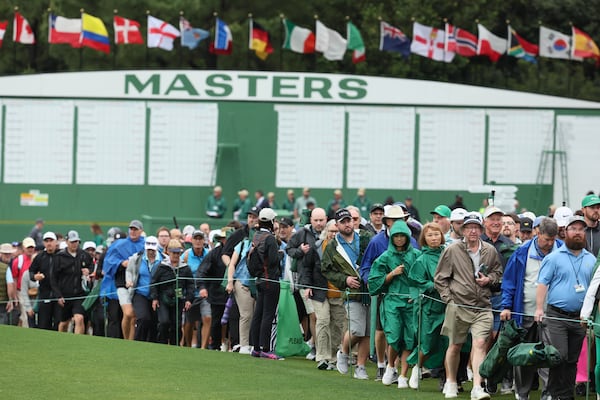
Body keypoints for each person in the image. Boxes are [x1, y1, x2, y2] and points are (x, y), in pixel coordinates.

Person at [434, 213, 502, 400]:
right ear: (463, 230)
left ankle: (477, 387)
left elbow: (498, 273)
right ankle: (451, 382)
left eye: (476, 227)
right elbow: (440, 278)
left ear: (481, 229)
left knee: (480, 344)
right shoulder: (452, 250)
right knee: (455, 345)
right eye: (469, 227)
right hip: (459, 305)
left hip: (482, 306)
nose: (472, 231)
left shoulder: (490, 250)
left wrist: (489, 280)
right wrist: (449, 299)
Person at [535, 215, 596, 400]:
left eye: (581, 229)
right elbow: (542, 284)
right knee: (559, 356)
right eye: (573, 229)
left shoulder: (591, 259)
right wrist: (539, 308)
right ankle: (552, 393)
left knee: (572, 360)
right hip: (557, 315)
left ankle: (566, 395)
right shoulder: (554, 257)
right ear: (565, 232)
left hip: (580, 318)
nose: (577, 232)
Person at [500, 217, 561, 400]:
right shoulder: (521, 252)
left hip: (552, 314)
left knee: (549, 355)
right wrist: (506, 306)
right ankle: (521, 393)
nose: (549, 244)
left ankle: (548, 393)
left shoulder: (561, 251)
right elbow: (509, 282)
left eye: (552, 239)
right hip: (524, 312)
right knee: (524, 355)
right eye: (546, 239)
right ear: (537, 233)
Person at [369, 220, 422, 388]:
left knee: (409, 339)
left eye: (402, 236)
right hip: (392, 302)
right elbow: (374, 282)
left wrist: (415, 294)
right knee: (394, 336)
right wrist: (391, 274)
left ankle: (404, 376)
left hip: (410, 302)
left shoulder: (416, 255)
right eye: (396, 236)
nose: (399, 239)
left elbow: (423, 277)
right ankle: (391, 366)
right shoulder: (385, 257)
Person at [322, 208, 371, 379]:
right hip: (352, 291)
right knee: (357, 330)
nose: (347, 224)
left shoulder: (365, 236)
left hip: (371, 289)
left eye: (349, 220)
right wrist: (345, 280)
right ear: (337, 225)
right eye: (343, 222)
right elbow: (326, 271)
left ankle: (361, 367)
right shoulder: (332, 246)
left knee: (367, 332)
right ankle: (343, 352)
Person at [286, 207, 328, 363]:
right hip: (306, 281)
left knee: (325, 318)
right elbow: (288, 249)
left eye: (321, 220)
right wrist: (300, 251)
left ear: (326, 219)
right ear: (311, 220)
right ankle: (316, 347)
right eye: (315, 220)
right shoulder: (302, 234)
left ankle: (324, 348)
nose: (318, 223)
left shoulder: (331, 232)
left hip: (326, 283)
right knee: (314, 315)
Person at [408, 222, 447, 389]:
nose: (434, 238)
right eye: (430, 235)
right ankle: (417, 368)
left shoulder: (448, 254)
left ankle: (448, 379)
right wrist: (431, 286)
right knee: (428, 342)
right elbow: (415, 279)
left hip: (448, 305)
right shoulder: (422, 259)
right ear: (424, 238)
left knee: (448, 342)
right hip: (430, 307)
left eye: (436, 234)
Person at [100, 220, 145, 339]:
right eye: (131, 229)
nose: (133, 231)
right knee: (128, 313)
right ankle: (125, 339)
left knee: (134, 316)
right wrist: (121, 263)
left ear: (141, 231)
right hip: (122, 282)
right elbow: (108, 262)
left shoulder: (145, 245)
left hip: (139, 283)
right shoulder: (119, 244)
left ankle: (130, 343)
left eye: (136, 229)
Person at [248, 208, 283, 360]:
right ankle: (266, 348)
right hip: (270, 280)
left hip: (259, 280)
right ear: (270, 222)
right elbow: (274, 260)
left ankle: (256, 348)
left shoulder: (256, 236)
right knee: (268, 315)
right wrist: (281, 253)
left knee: (258, 314)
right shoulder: (269, 238)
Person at [151, 239, 194, 345]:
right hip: (163, 299)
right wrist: (155, 298)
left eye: (178, 253)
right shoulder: (161, 267)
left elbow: (190, 284)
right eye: (173, 252)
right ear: (168, 252)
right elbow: (154, 283)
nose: (175, 255)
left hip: (178, 299)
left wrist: (188, 299)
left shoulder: (185, 268)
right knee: (164, 322)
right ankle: (162, 343)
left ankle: (175, 346)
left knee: (177, 324)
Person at [51, 230, 94, 334]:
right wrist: (58, 295)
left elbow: (91, 266)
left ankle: (77, 343)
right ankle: (61, 341)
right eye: (72, 242)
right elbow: (53, 278)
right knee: (64, 323)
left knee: (79, 318)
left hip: (79, 294)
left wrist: (89, 271)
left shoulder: (84, 255)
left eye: (76, 242)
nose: (75, 244)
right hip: (65, 295)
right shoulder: (59, 257)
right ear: (66, 242)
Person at [196, 228, 229, 351]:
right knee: (216, 322)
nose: (225, 240)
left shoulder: (237, 252)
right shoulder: (214, 253)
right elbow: (202, 271)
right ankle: (215, 346)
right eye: (223, 238)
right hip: (216, 294)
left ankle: (232, 346)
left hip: (232, 294)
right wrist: (202, 287)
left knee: (233, 321)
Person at [126, 235, 163, 342]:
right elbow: (129, 270)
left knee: (154, 321)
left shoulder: (163, 259)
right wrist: (129, 280)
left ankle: (151, 343)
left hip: (157, 294)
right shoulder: (137, 258)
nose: (150, 252)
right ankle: (138, 341)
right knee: (143, 318)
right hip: (140, 293)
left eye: (153, 249)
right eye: (149, 249)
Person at [181, 230, 210, 348]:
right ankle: (188, 345)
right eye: (196, 239)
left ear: (204, 241)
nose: (198, 241)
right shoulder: (186, 255)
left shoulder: (209, 254)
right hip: (190, 294)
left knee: (207, 318)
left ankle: (203, 347)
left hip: (205, 292)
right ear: (192, 240)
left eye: (200, 239)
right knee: (189, 323)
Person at [29, 231, 61, 330]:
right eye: (46, 241)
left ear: (56, 242)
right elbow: (31, 272)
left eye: (51, 240)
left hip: (60, 296)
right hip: (44, 294)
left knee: (58, 325)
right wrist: (35, 277)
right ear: (43, 243)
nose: (49, 243)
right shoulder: (40, 257)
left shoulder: (62, 256)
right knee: (43, 325)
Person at [12, 237, 36, 327]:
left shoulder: (37, 259)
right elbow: (14, 279)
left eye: (32, 247)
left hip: (35, 292)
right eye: (28, 247)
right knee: (26, 316)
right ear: (23, 248)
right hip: (21, 292)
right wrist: (15, 296)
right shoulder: (18, 261)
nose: (30, 249)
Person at [0, 243, 18, 325]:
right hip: (2, 302)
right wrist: (11, 299)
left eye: (9, 254)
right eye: (6, 254)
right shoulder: (6, 268)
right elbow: (10, 284)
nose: (8, 256)